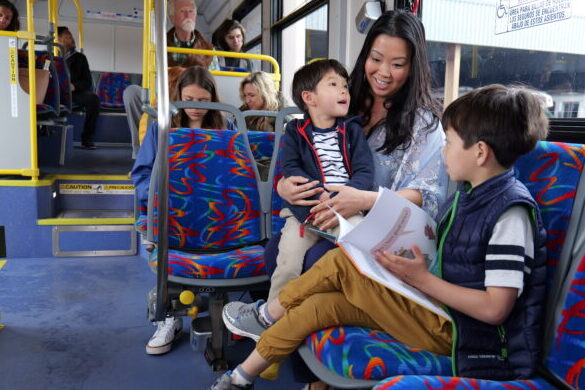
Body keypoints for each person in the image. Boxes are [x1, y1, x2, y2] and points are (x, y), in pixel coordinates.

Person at [211, 83, 549, 389]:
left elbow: (495, 309)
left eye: (450, 143)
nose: (443, 152)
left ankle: (265, 316)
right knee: (318, 306)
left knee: (343, 263)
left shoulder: (510, 213)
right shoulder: (469, 195)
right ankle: (240, 378)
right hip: (438, 310)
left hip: (464, 336)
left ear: (479, 152)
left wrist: (421, 280)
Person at [267, 9, 447, 307]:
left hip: (378, 225)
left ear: (413, 68)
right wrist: (283, 186)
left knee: (315, 261)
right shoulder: (344, 102)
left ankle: (282, 331)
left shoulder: (424, 124)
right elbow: (303, 151)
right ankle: (288, 342)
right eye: (376, 59)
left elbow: (427, 193)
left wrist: (364, 200)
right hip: (323, 210)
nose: (384, 72)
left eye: (398, 64)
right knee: (275, 248)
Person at [132, 66, 236, 356]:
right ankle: (168, 317)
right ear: (178, 95)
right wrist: (157, 202)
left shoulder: (226, 128)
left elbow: (236, 176)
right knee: (167, 241)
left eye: (202, 101)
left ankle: (225, 311)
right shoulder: (161, 128)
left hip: (216, 209)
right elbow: (142, 175)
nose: (195, 108)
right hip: (172, 209)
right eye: (188, 99)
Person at [259, 59, 374, 305]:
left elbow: (364, 171)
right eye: (334, 84)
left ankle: (364, 307)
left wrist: (344, 198)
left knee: (362, 248)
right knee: (288, 261)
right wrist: (319, 197)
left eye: (345, 85)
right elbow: (292, 168)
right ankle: (273, 315)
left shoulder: (353, 131)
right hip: (307, 211)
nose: (344, 90)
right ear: (309, 98)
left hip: (346, 207)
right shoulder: (295, 132)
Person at [123, 0, 218, 158]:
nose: (188, 15)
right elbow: (151, 75)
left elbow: (214, 81)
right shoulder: (157, 45)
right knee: (131, 93)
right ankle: (141, 154)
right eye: (183, 12)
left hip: (194, 97)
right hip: (164, 93)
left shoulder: (208, 49)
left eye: (191, 11)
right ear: (172, 18)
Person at [57, 26, 100, 150]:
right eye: (68, 37)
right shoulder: (49, 56)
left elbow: (87, 81)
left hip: (74, 92)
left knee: (93, 99)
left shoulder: (80, 58)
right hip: (54, 92)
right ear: (59, 40)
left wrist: (74, 86)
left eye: (71, 37)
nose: (72, 39)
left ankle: (87, 138)